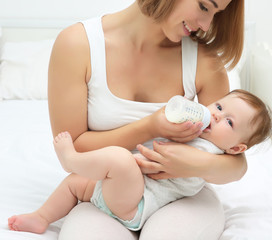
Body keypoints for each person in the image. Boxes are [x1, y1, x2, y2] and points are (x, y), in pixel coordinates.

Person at [46, 0, 245, 239]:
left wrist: (191, 163)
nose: (206, 25)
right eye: (204, 6)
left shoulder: (205, 62)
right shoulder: (78, 45)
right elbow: (73, 148)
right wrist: (149, 127)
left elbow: (236, 163)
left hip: (180, 196)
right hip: (108, 193)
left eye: (216, 13)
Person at [8, 89, 272, 234]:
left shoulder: (212, 153)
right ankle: (42, 217)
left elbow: (228, 168)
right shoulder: (194, 130)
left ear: (237, 147)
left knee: (119, 159)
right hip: (122, 191)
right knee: (75, 184)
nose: (215, 116)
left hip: (139, 204)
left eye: (229, 121)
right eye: (218, 107)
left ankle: (70, 159)